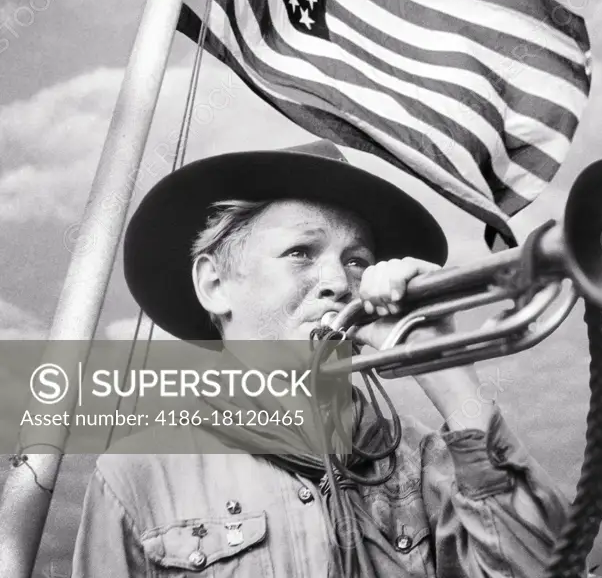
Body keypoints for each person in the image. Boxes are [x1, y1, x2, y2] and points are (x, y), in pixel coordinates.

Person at [72, 140, 571, 577]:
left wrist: (449, 375)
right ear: (214, 284)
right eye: (301, 253)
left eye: (357, 260)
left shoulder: (428, 463)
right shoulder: (136, 472)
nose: (339, 281)